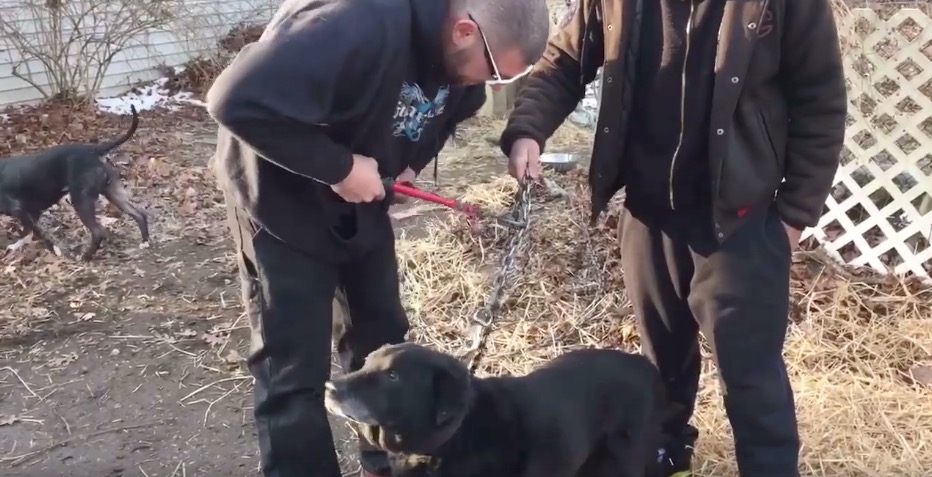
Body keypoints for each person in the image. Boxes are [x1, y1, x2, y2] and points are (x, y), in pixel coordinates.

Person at [499, 0, 847, 476]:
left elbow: (821, 99)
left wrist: (793, 215)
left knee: (751, 380)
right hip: (648, 213)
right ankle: (667, 459)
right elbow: (564, 61)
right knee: (661, 369)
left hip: (739, 220)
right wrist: (527, 130)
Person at [203, 0, 550, 475]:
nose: (488, 87)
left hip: (363, 202)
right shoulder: (356, 22)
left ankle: (384, 466)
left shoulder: (459, 69)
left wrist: (407, 163)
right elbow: (232, 99)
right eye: (492, 73)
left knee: (382, 343)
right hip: (281, 204)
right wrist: (340, 168)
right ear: (465, 32)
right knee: (293, 372)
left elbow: (449, 111)